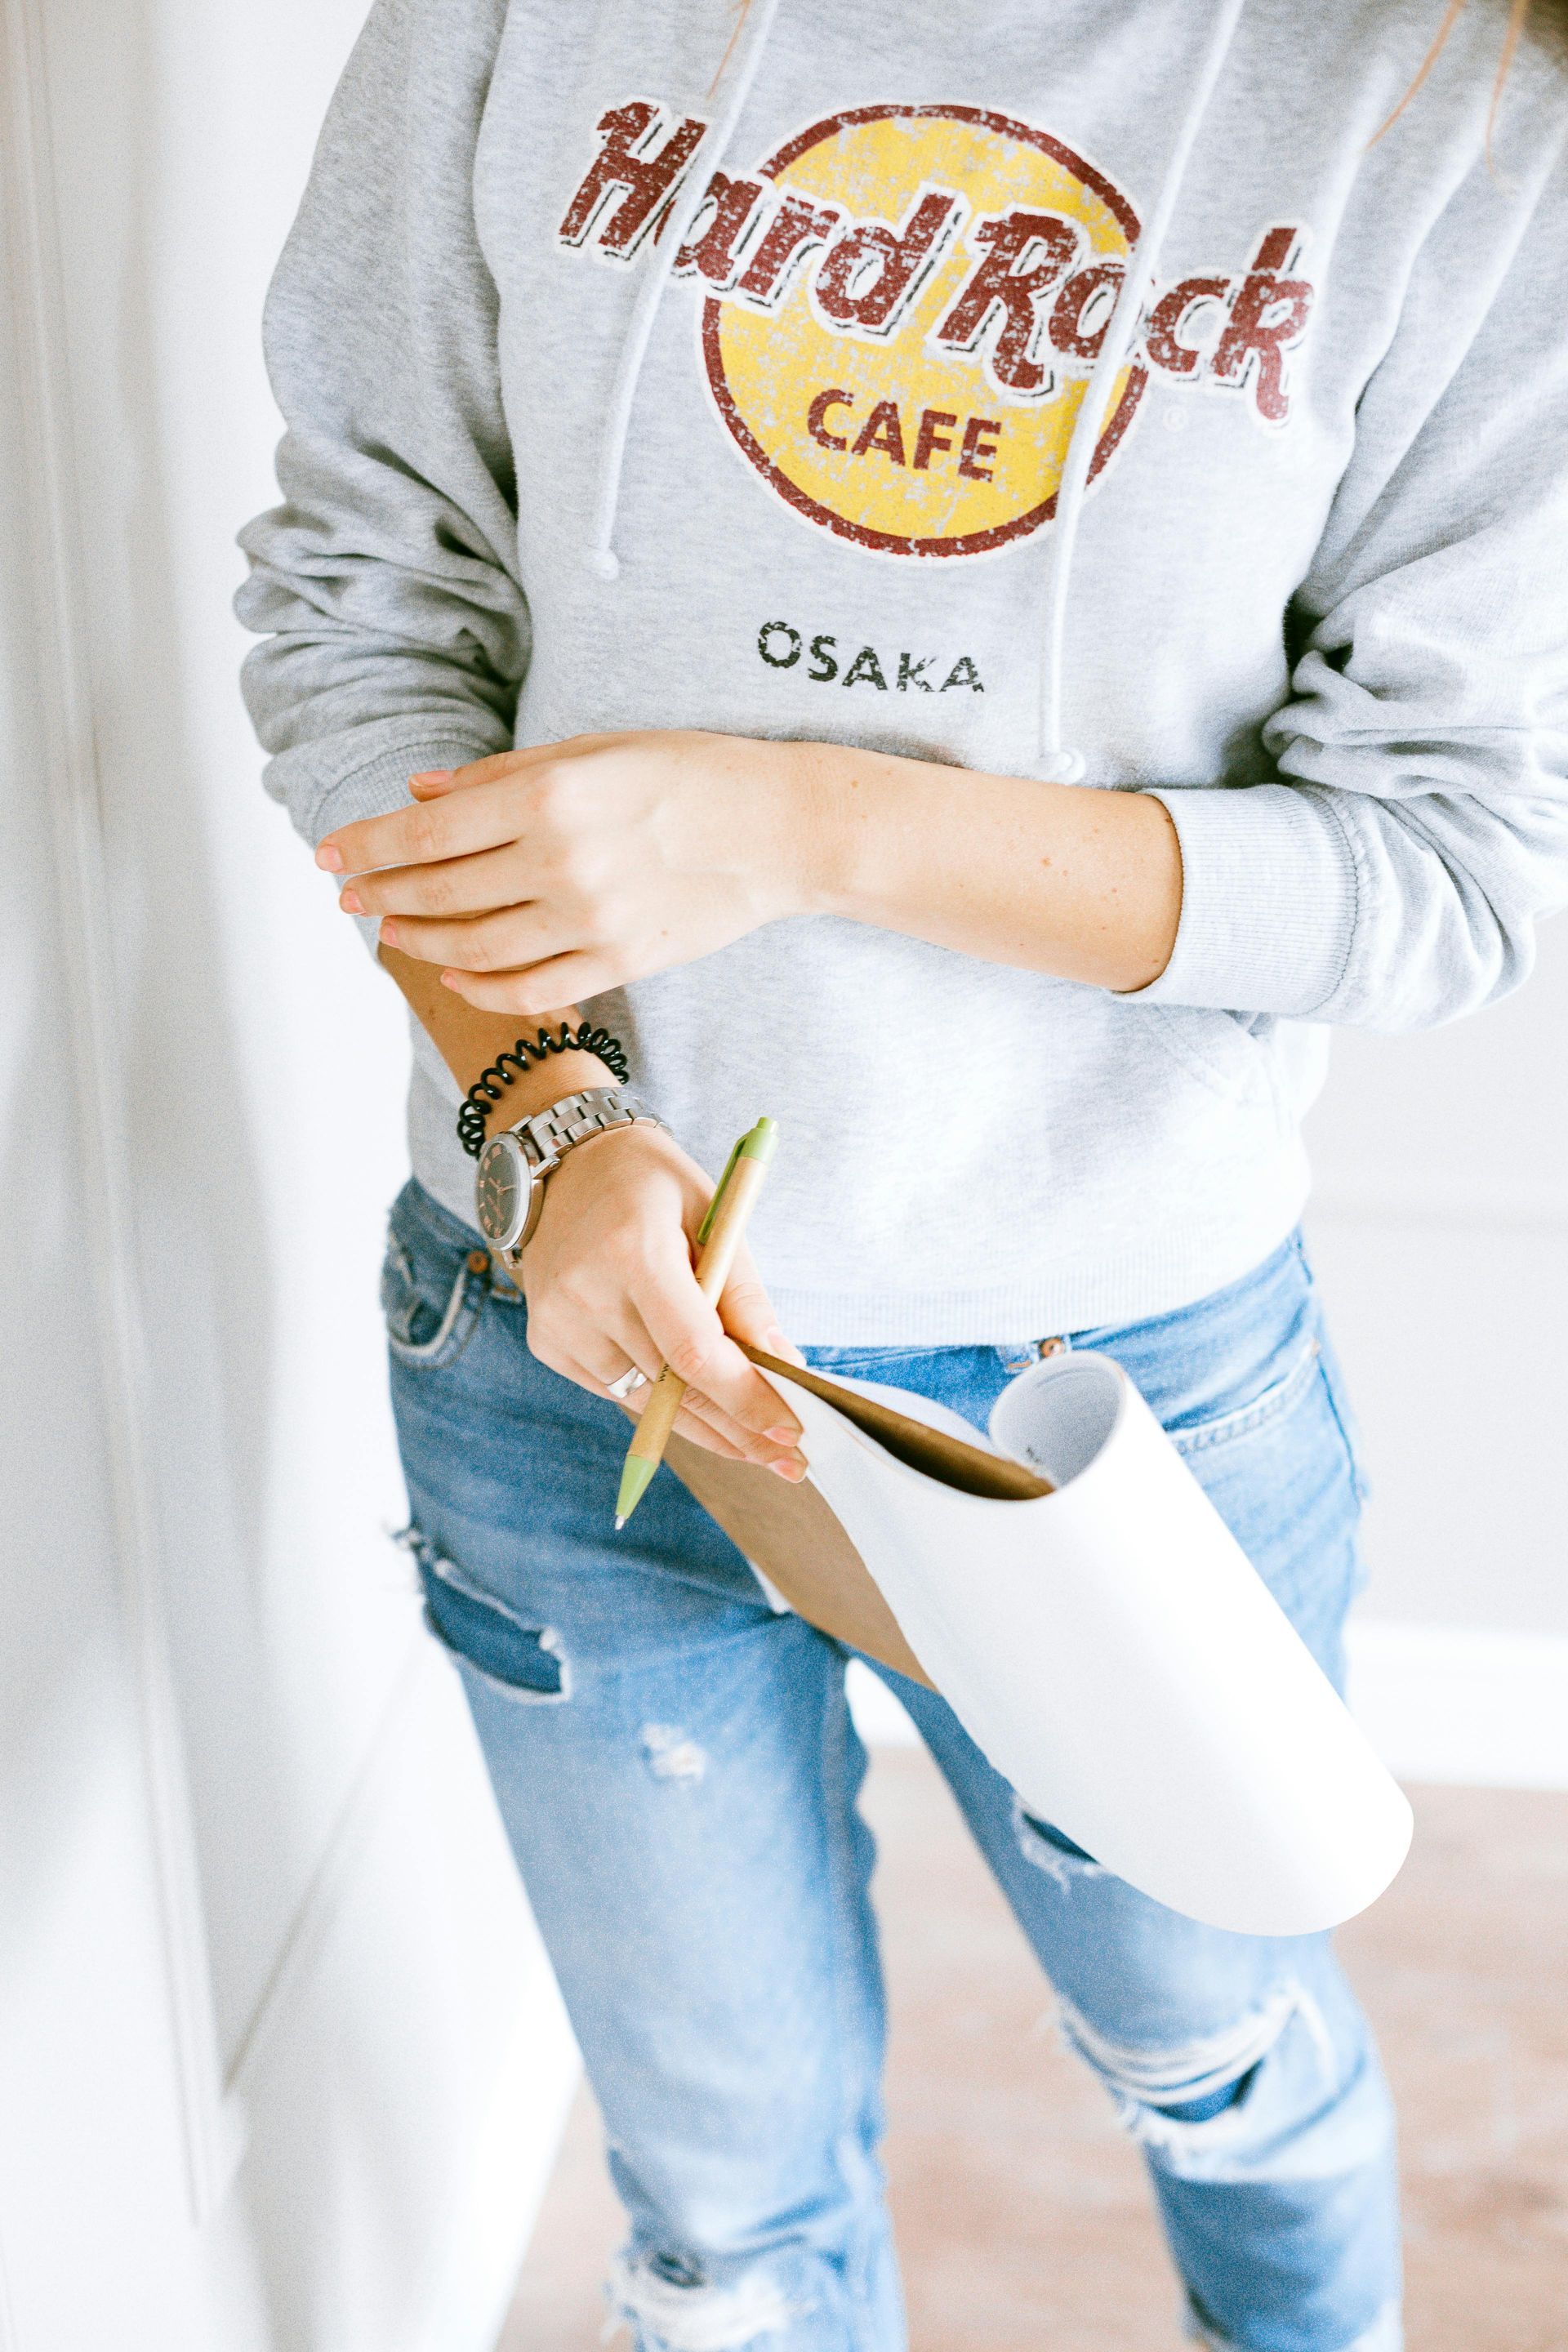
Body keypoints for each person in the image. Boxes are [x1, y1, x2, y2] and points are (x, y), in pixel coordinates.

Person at [236, 2, 1568, 2344]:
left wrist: (800, 822)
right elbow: (371, 603)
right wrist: (555, 1122)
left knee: (1224, 2064)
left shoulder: (1456, 93)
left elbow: (1451, 868)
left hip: (1107, 1400)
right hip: (560, 1347)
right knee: (726, 2234)